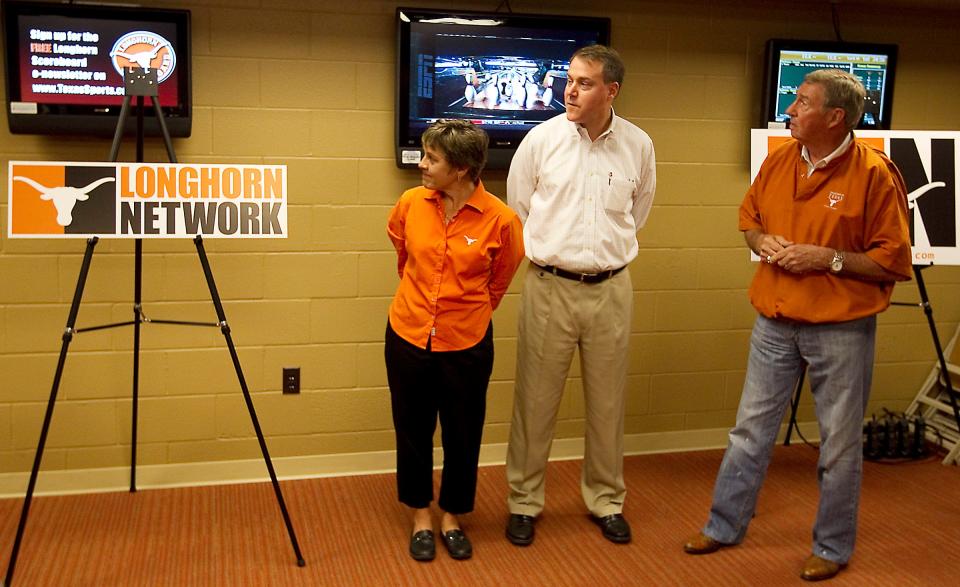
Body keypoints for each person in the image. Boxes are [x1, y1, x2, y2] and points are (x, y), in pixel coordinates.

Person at [682, 69, 912, 581]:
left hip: (841, 329)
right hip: (774, 319)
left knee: (839, 444)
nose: (789, 109)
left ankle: (832, 547)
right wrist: (760, 243)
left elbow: (892, 261)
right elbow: (750, 222)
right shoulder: (779, 159)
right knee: (749, 432)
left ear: (835, 117)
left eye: (802, 102)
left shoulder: (875, 174)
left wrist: (828, 260)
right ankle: (724, 525)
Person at [504, 44, 656, 546]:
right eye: (569, 80)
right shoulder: (541, 140)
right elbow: (520, 209)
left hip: (612, 288)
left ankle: (606, 499)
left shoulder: (638, 145)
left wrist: (602, 257)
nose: (570, 90)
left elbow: (638, 213)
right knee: (535, 401)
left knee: (608, 405)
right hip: (550, 285)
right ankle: (524, 501)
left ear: (611, 90)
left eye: (584, 83)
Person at [385, 119, 525, 562]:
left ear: (461, 169)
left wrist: (462, 310)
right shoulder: (410, 203)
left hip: (466, 343)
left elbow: (500, 279)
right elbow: (402, 253)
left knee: (463, 433)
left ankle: (452, 516)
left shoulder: (501, 219)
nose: (422, 165)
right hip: (407, 334)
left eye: (432, 159)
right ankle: (421, 515)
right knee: (412, 429)